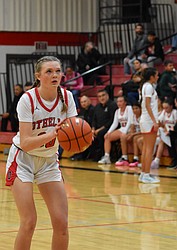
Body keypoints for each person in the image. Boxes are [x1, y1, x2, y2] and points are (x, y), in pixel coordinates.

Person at [5, 56, 77, 249]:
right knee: (29, 222)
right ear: (38, 76)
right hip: (23, 160)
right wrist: (52, 134)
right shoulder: (27, 100)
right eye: (49, 72)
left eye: (57, 71)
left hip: (48, 162)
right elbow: (27, 143)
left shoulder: (67, 97)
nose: (55, 75)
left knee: (61, 223)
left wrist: (82, 138)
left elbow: (73, 131)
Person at [139, 67, 160, 184]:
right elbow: (147, 105)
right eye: (156, 75)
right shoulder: (149, 87)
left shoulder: (146, 86)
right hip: (149, 121)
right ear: (151, 77)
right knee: (149, 149)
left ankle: (143, 173)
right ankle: (146, 174)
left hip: (145, 120)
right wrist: (155, 121)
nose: (157, 77)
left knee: (146, 148)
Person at [98, 95, 133, 165]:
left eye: (121, 101)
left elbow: (130, 121)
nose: (119, 103)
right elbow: (115, 124)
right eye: (117, 102)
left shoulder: (129, 108)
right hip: (122, 129)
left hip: (130, 129)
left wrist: (125, 132)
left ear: (125, 102)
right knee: (107, 137)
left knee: (123, 136)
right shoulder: (117, 111)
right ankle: (107, 157)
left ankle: (124, 157)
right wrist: (108, 132)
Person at [151, 98, 177, 169]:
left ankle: (157, 161)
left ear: (171, 106)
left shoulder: (175, 113)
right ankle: (152, 159)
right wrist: (160, 124)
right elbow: (158, 122)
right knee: (155, 139)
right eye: (164, 108)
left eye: (167, 108)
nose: (165, 109)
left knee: (163, 140)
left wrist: (169, 131)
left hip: (173, 133)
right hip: (167, 133)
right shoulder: (164, 112)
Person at [91, 89, 117, 161]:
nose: (102, 98)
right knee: (89, 135)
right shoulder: (97, 107)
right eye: (99, 96)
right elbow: (94, 120)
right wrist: (93, 129)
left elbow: (112, 121)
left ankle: (104, 155)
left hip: (110, 128)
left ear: (107, 95)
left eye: (103, 95)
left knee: (100, 134)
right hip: (98, 128)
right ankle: (92, 156)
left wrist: (99, 129)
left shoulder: (112, 105)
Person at [70, 95, 95, 160]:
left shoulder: (93, 110)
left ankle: (83, 155)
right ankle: (78, 153)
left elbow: (94, 122)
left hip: (92, 130)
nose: (83, 103)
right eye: (82, 102)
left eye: (85, 101)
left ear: (89, 101)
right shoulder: (82, 111)